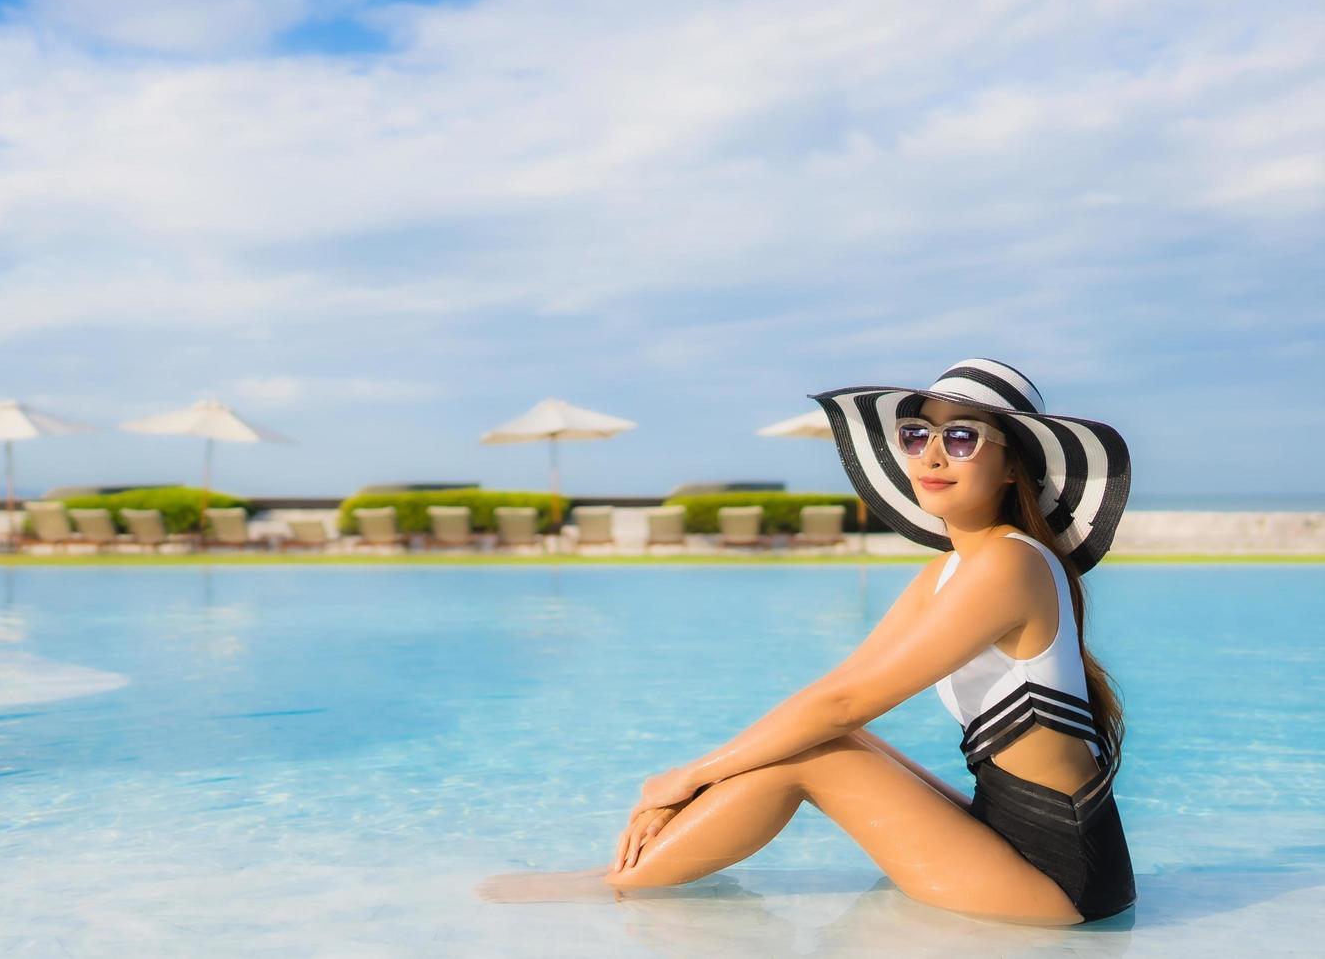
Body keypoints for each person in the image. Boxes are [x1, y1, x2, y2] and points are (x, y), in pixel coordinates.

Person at [477, 358, 1136, 926]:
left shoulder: (1008, 564)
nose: (931, 455)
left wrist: (681, 779)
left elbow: (844, 703)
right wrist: (686, 787)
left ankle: (616, 889)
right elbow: (830, 696)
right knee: (820, 744)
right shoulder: (953, 568)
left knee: (816, 755)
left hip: (1061, 883)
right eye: (917, 434)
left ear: (1013, 468)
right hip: (1011, 842)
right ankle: (632, 872)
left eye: (961, 438)